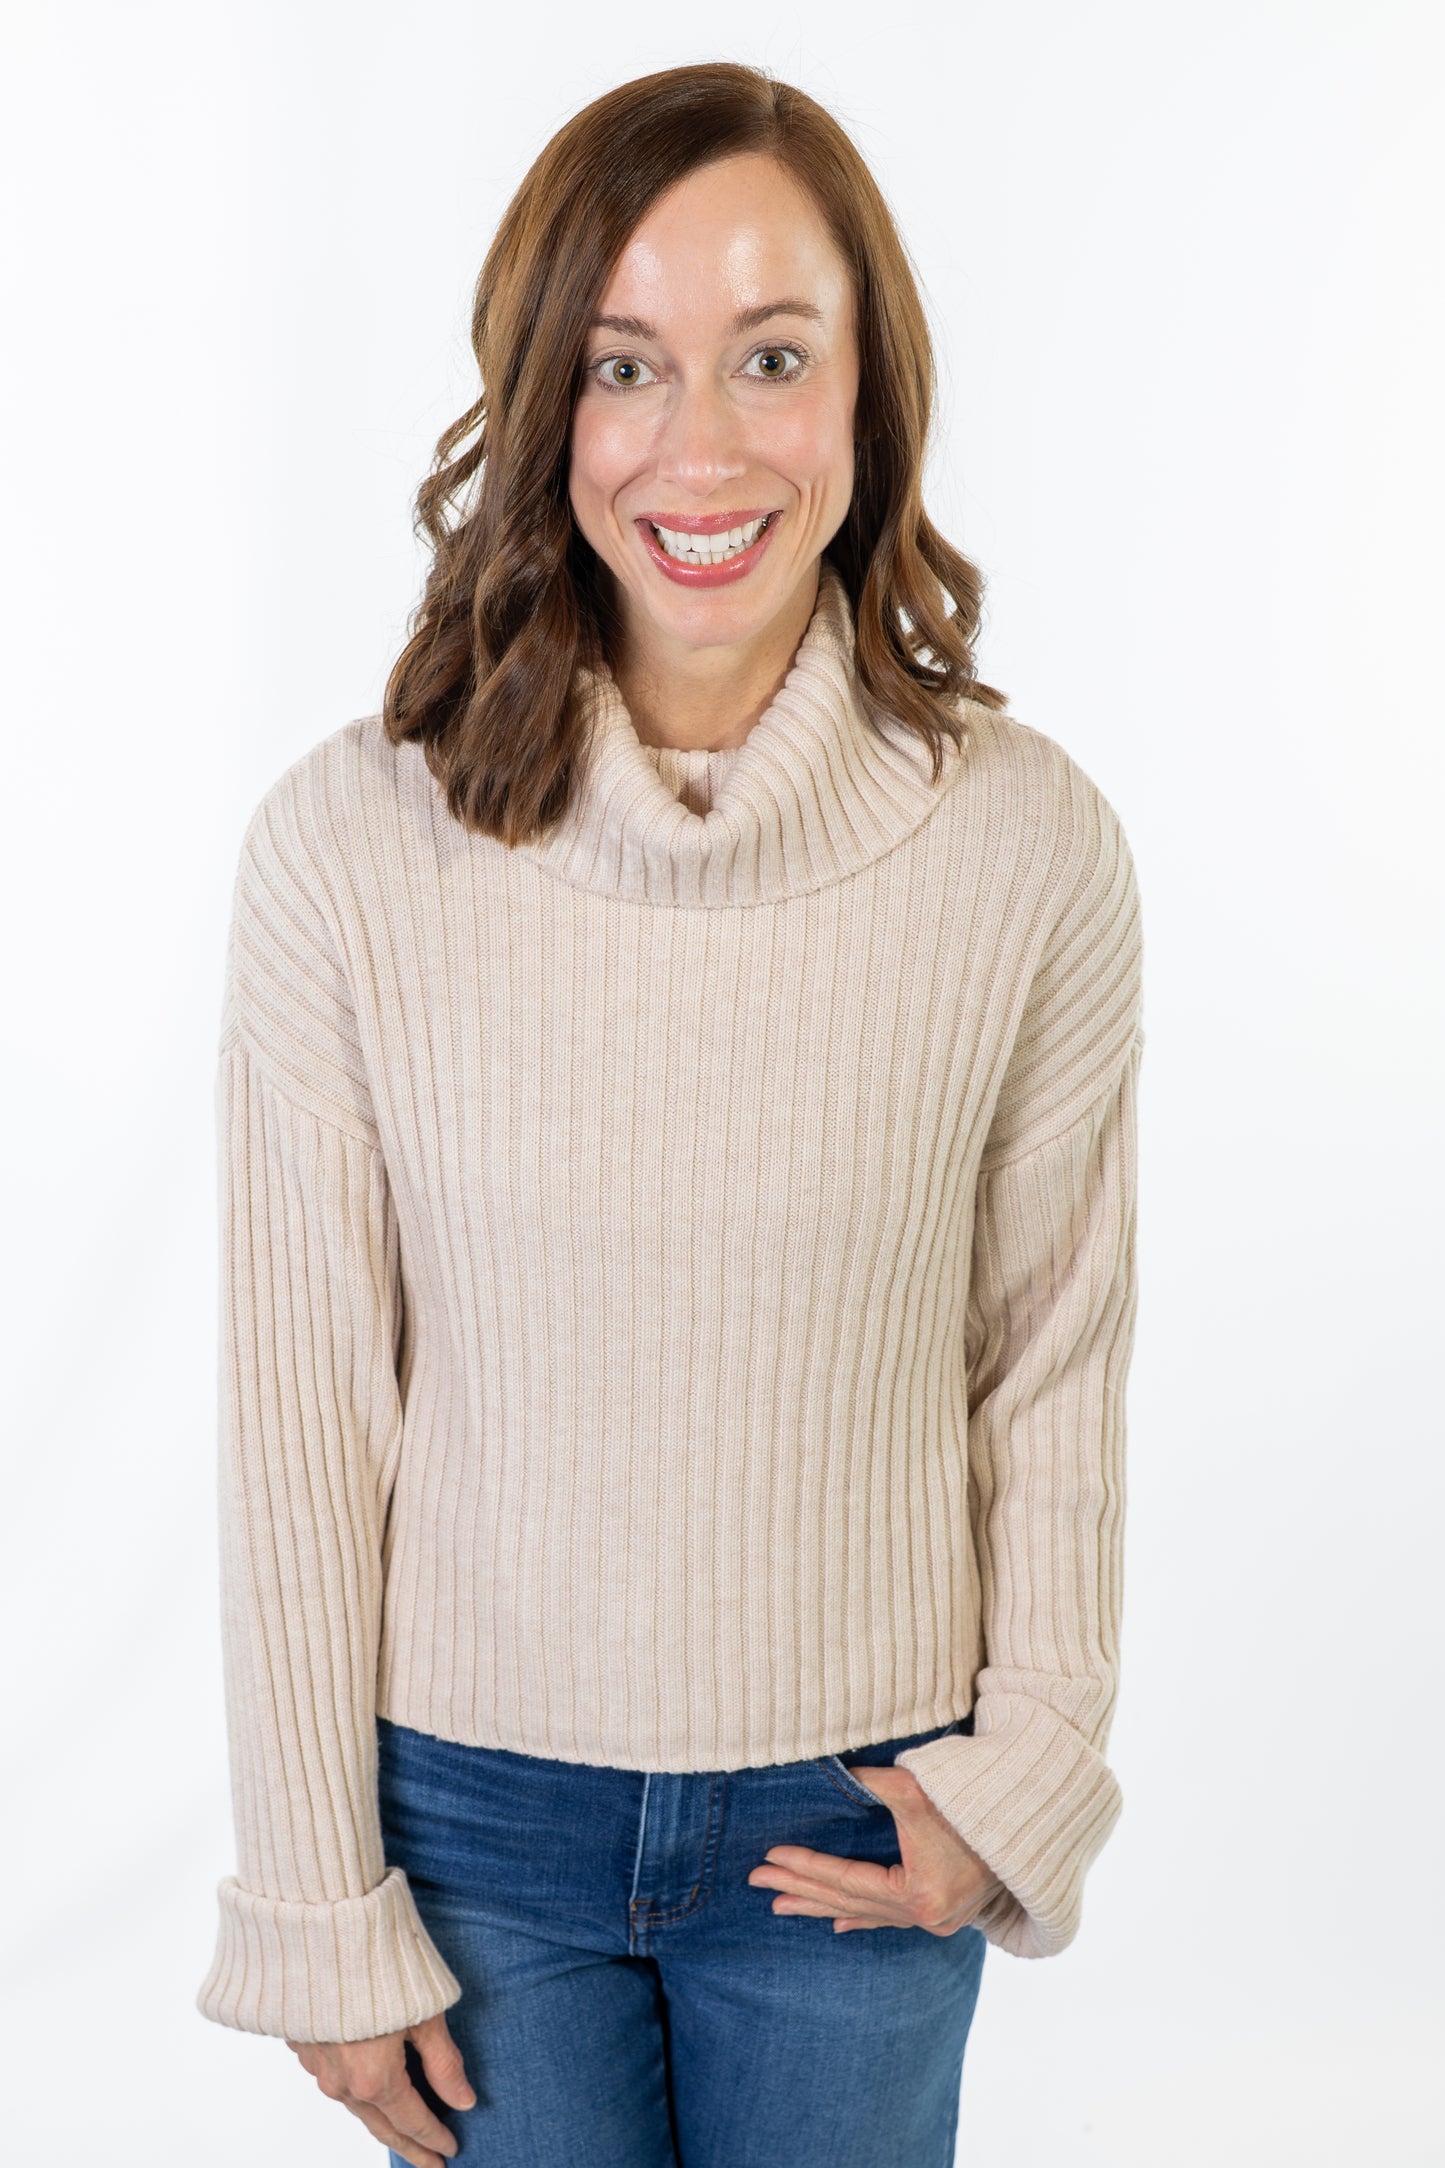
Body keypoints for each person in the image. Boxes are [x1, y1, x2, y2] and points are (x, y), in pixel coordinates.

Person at [195, 59, 1145, 2168]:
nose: (699, 445)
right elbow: (304, 1410)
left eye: (771, 357)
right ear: (544, 405)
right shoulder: (348, 850)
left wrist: (1030, 1769)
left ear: (869, 395)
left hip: (859, 1826)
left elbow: (1053, 1360)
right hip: (474, 1842)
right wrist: (313, 1908)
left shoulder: (1030, 852)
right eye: (626, 365)